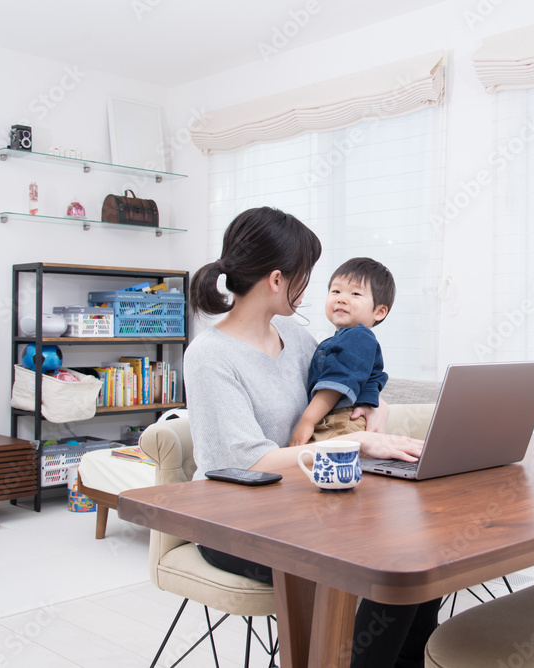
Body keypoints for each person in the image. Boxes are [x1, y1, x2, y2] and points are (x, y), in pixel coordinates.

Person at [184, 206, 440, 668]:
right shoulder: (210, 356)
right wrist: (355, 444)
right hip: (234, 523)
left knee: (419, 557)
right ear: (278, 280)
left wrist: (371, 408)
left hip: (304, 503)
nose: (314, 290)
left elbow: (343, 383)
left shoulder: (294, 336)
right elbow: (251, 463)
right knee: (386, 570)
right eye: (308, 276)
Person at [289, 257, 395, 446]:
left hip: (341, 420)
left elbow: (335, 384)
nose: (341, 298)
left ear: (379, 312)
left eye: (355, 293)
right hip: (338, 420)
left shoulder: (358, 337)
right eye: (336, 291)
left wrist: (307, 421)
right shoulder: (340, 339)